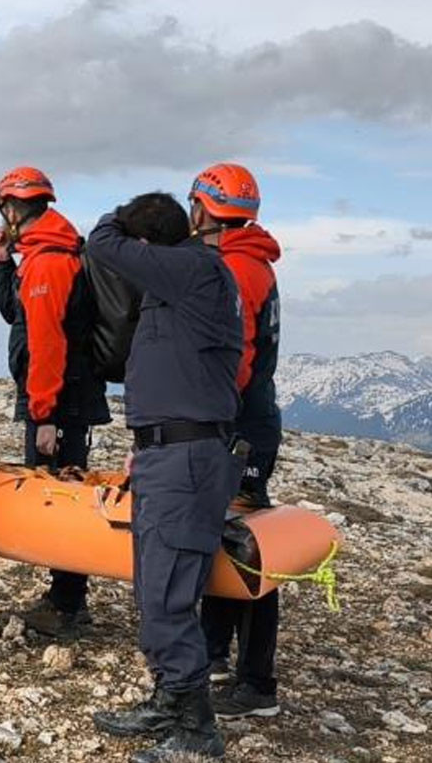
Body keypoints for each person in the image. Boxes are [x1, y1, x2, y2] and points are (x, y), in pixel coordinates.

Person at [85, 192, 244, 762]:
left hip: (186, 460)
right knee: (156, 590)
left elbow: (101, 242)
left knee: (168, 596)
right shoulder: (184, 278)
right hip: (166, 453)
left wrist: (116, 216)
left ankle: (198, 734)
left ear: (149, 246)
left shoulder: (193, 268)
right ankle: (168, 699)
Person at [0, 165, 110, 640]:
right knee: (61, 489)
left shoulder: (50, 262)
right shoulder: (40, 256)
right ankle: (64, 597)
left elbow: (46, 345)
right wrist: (1, 263)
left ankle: (66, 604)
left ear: (15, 208)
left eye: (4, 209)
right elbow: (15, 316)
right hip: (63, 399)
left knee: (60, 497)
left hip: (60, 402)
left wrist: (43, 414)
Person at [189, 163, 284, 721]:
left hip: (238, 428)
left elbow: (235, 363)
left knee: (246, 544)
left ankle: (257, 683)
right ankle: (213, 654)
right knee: (223, 535)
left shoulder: (236, 272)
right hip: (249, 422)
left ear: (203, 209)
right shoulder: (250, 264)